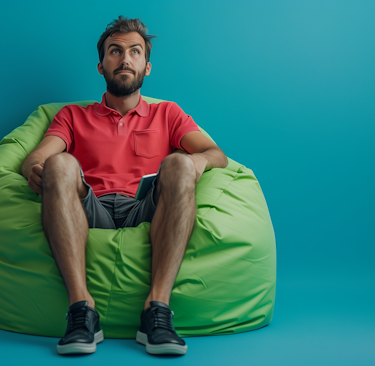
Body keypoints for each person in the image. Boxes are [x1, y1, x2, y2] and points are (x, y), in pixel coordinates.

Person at [20, 15, 228, 356]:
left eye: (134, 52)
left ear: (147, 67)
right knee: (59, 163)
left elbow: (215, 153)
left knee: (179, 162)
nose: (125, 59)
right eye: (115, 51)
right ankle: (81, 311)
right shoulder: (73, 116)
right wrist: (35, 169)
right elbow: (35, 156)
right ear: (101, 66)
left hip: (145, 205)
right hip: (91, 207)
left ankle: (156, 312)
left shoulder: (168, 114)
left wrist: (196, 162)